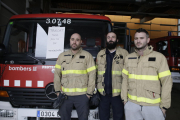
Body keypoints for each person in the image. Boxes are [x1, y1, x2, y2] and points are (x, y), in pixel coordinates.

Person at [121, 28, 172, 120]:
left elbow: (167, 82)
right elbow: (124, 80)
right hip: (132, 105)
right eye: (136, 38)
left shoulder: (159, 57)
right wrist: (124, 100)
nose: (138, 41)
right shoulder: (129, 58)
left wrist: (164, 106)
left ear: (148, 40)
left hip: (153, 106)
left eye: (141, 38)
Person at [54, 33, 96, 120]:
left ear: (81, 42)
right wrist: (57, 91)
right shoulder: (62, 56)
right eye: (72, 39)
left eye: (77, 40)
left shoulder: (87, 56)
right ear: (70, 41)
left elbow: (92, 75)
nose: (74, 42)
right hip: (65, 96)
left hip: (82, 96)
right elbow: (57, 74)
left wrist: (89, 94)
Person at [96, 31, 129, 120]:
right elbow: (96, 72)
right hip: (103, 94)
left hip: (118, 94)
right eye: (108, 37)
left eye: (113, 37)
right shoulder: (100, 54)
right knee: (103, 117)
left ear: (117, 40)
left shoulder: (124, 54)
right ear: (106, 40)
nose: (111, 39)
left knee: (118, 117)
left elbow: (129, 73)